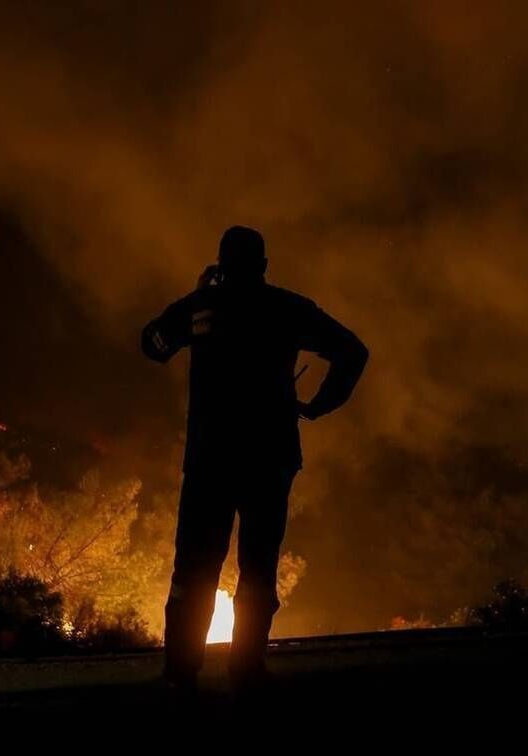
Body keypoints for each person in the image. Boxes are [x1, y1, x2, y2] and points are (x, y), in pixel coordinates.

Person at [142, 225, 368, 689]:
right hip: (270, 457)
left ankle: (181, 673)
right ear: (263, 265)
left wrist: (198, 295)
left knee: (195, 570)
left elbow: (153, 345)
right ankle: (246, 669)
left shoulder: (202, 307)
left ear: (221, 264)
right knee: (259, 567)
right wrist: (320, 404)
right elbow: (352, 351)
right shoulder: (288, 308)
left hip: (210, 459)